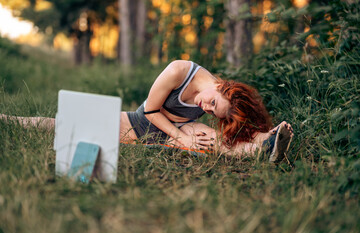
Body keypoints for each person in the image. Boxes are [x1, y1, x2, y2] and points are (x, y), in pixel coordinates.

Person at [0, 60, 294, 161]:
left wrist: (188, 136)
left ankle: (263, 145)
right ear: (221, 86)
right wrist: (181, 138)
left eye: (211, 110)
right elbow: (152, 111)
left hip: (175, 132)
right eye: (211, 103)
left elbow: (227, 121)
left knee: (209, 138)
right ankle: (9, 119)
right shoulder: (179, 71)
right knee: (62, 124)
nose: (204, 107)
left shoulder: (220, 99)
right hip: (140, 124)